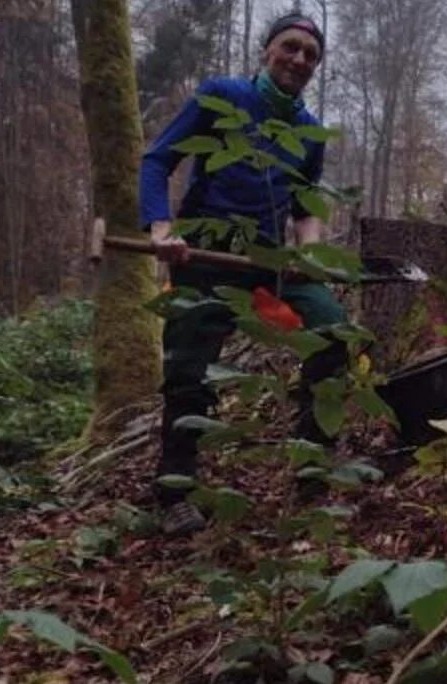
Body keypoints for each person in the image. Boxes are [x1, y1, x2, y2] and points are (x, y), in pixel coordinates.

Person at [139, 12, 345, 537]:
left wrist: (311, 253)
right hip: (205, 253)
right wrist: (162, 230)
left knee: (332, 333)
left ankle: (312, 471)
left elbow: (304, 202)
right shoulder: (221, 96)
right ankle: (174, 489)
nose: (299, 59)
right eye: (290, 47)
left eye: (310, 55)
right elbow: (158, 160)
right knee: (190, 368)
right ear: (266, 50)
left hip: (268, 260)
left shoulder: (308, 130)